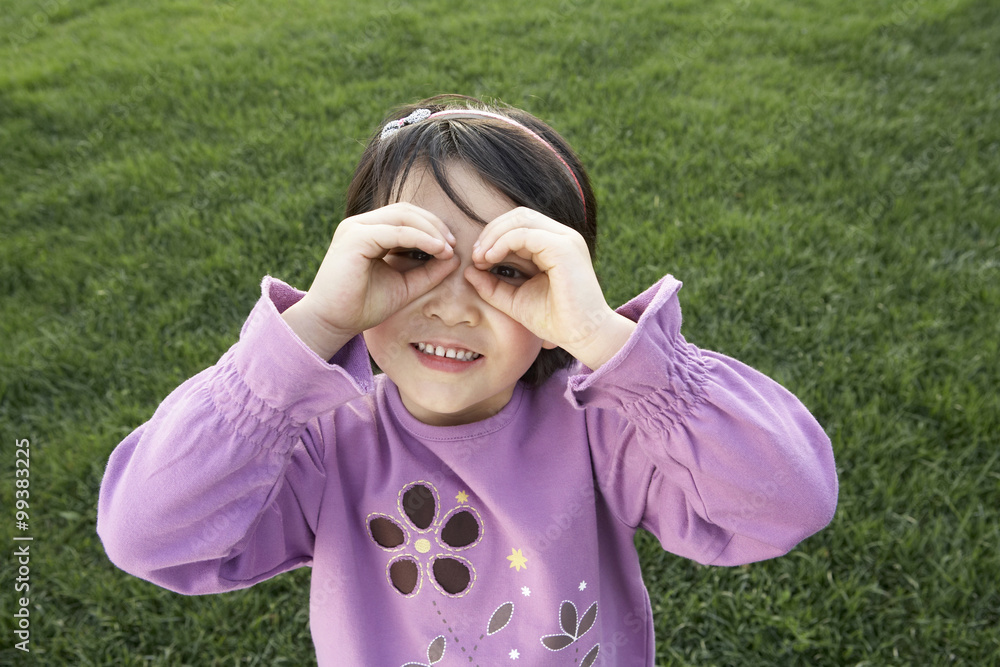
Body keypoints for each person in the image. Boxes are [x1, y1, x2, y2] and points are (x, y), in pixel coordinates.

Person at [98, 94, 838, 665]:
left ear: (560, 288)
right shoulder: (324, 444)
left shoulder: (601, 426)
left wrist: (606, 341)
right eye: (415, 257)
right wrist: (315, 327)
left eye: (506, 270)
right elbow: (147, 532)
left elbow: (787, 500)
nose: (453, 306)